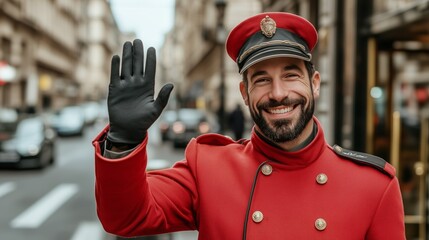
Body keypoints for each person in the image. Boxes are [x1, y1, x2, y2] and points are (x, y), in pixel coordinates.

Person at [93, 12, 405, 239]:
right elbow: (125, 218)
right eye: (262, 80)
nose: (278, 93)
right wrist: (124, 139)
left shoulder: (374, 186)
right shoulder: (208, 167)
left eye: (291, 75)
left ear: (315, 83)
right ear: (245, 94)